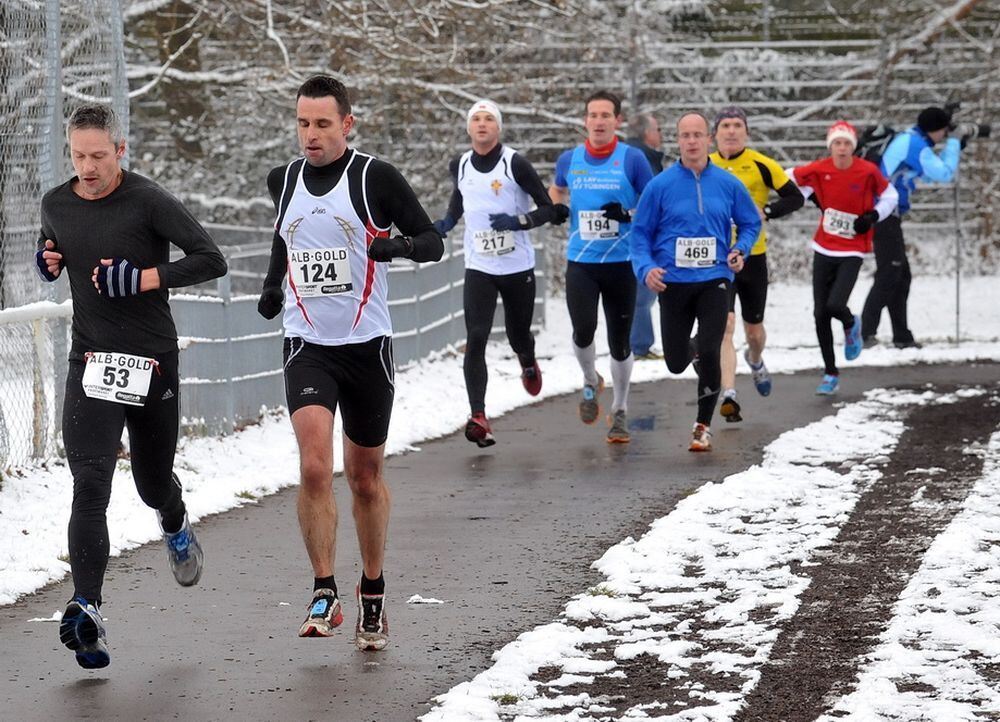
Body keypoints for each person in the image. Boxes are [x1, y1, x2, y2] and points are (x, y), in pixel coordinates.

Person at [36, 103, 227, 669]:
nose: (88, 167)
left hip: (150, 360)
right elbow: (56, 248)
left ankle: (174, 521)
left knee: (149, 482)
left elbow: (209, 259)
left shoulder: (148, 201)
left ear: (120, 151)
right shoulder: (56, 203)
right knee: (90, 484)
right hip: (91, 359)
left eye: (99, 155)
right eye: (78, 156)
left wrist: (142, 277)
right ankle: (86, 608)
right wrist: (48, 261)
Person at [256, 75, 443, 650]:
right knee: (315, 467)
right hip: (307, 344)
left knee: (364, 478)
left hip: (367, 347)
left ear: (347, 124)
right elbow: (288, 238)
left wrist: (398, 246)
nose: (309, 135)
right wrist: (270, 287)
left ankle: (374, 589)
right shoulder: (282, 180)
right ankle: (322, 589)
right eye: (302, 123)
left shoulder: (374, 178)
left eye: (322, 124)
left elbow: (432, 240)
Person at [433, 100, 568, 447]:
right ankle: (478, 415)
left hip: (516, 266)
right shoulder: (460, 164)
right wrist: (447, 222)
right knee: (475, 337)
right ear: (468, 128)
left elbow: (550, 209)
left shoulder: (515, 164)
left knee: (517, 333)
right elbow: (460, 199)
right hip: (479, 266)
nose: (481, 124)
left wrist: (518, 222)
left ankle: (527, 360)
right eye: (475, 119)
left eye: (488, 119)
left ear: (498, 127)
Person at [630, 112, 761, 452]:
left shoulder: (729, 184)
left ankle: (702, 426)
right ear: (678, 140)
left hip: (715, 278)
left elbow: (750, 224)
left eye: (697, 135)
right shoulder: (659, 186)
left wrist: (740, 249)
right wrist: (646, 268)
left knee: (711, 347)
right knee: (675, 362)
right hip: (673, 282)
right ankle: (697, 354)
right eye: (685, 135)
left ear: (709, 139)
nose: (691, 141)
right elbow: (640, 234)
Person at [549, 90, 654, 444]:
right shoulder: (570, 159)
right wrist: (558, 209)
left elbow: (653, 204)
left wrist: (627, 214)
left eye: (605, 115)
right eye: (592, 115)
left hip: (621, 263)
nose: (598, 121)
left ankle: (621, 410)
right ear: (585, 121)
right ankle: (591, 380)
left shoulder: (633, 159)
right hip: (582, 262)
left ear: (617, 121)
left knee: (620, 342)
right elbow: (557, 190)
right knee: (582, 331)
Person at [709, 106, 804, 423]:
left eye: (737, 125)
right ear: (716, 133)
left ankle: (756, 358)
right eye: (725, 125)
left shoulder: (762, 164)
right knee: (726, 327)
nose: (732, 131)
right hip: (718, 260)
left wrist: (769, 212)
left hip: (753, 257)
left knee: (753, 332)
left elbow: (796, 198)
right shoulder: (705, 165)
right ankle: (729, 396)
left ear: (746, 132)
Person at [788, 121, 898, 395]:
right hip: (824, 247)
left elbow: (890, 195)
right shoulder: (820, 168)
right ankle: (830, 373)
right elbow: (786, 177)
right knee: (819, 313)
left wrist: (873, 216)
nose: (841, 148)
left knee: (835, 305)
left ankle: (851, 323)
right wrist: (807, 195)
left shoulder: (867, 171)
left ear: (853, 147)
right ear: (831, 146)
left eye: (847, 143)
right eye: (837, 143)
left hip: (852, 249)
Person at [861, 106, 964, 349]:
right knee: (890, 273)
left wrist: (955, 146)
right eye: (945, 131)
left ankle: (902, 336)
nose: (945, 135)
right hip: (882, 212)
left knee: (901, 276)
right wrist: (955, 144)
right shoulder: (915, 144)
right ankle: (864, 334)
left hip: (886, 213)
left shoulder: (910, 141)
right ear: (936, 130)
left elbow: (925, 175)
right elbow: (945, 174)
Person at [625, 112, 664, 360]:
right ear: (647, 133)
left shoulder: (628, 154)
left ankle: (637, 343)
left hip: (630, 231)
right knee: (642, 293)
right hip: (641, 232)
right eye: (658, 129)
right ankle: (639, 345)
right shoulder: (643, 159)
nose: (660, 135)